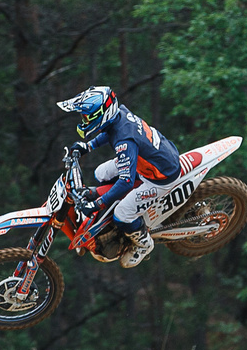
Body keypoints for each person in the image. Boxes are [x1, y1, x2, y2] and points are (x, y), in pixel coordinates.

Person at [57, 85, 180, 268]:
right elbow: (110, 132)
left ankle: (144, 244)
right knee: (101, 173)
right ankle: (116, 203)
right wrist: (88, 146)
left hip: (160, 176)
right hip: (152, 158)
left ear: (101, 114)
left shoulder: (125, 142)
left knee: (122, 214)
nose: (83, 120)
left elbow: (125, 182)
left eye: (86, 117)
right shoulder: (119, 115)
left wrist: (97, 204)